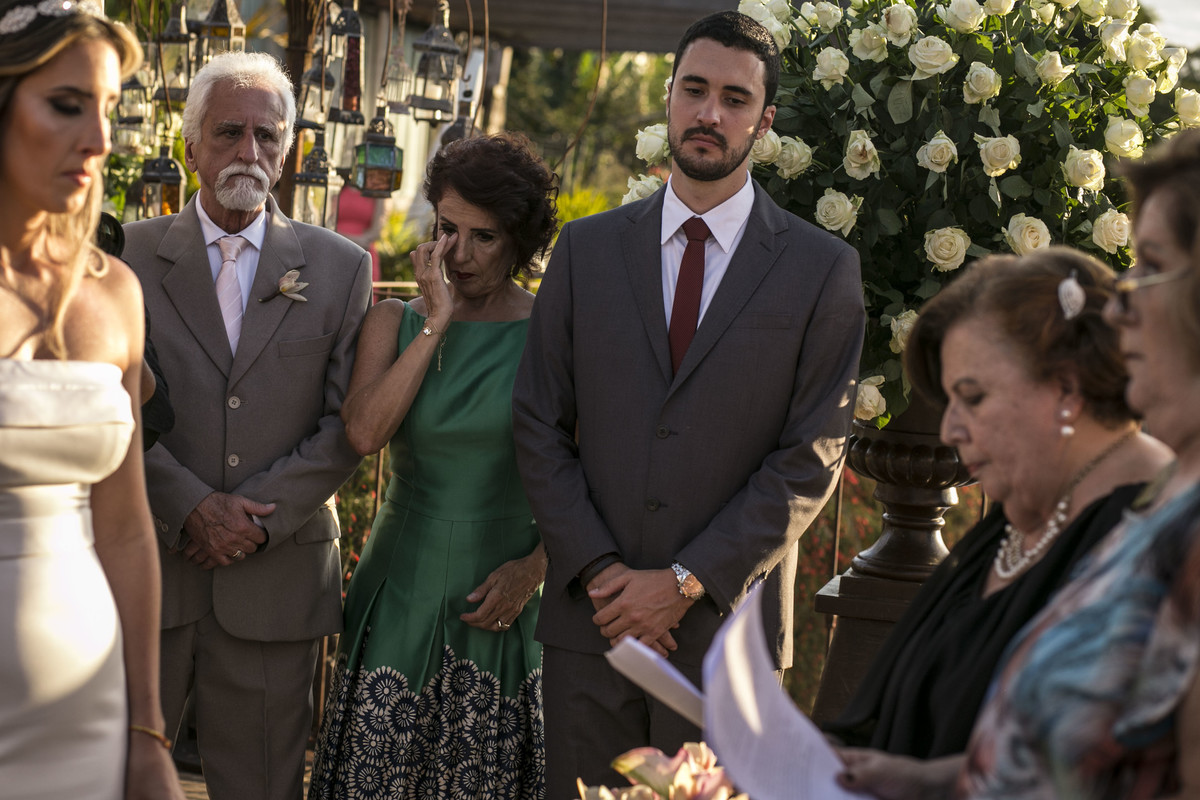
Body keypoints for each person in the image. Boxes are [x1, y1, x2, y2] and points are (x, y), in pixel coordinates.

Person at [511, 10, 866, 796]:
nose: (710, 113)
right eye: (695, 90)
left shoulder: (821, 270)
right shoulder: (586, 251)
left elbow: (811, 458)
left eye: (735, 99)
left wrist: (680, 584)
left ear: (764, 123)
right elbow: (538, 422)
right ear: (667, 97)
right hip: (590, 625)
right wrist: (606, 575)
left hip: (724, 638)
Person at [838, 132, 1200, 799]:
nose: (1122, 307)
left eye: (1149, 266)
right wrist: (921, 781)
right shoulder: (1042, 523)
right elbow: (1050, 759)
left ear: (1065, 387)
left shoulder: (1156, 527)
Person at [122, 51, 372, 800]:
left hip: (276, 576)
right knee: (121, 777)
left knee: (262, 787)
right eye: (229, 132)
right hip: (151, 572)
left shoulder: (339, 267)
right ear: (191, 144)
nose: (249, 153)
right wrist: (190, 506)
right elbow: (110, 405)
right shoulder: (125, 258)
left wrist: (254, 520)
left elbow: (345, 426)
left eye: (268, 136)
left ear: (288, 148)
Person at [823, 247, 1172, 760]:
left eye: (974, 397)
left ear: (1066, 389)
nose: (949, 429)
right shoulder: (1011, 523)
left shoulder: (1153, 543)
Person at [309, 132, 557, 800]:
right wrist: (437, 324)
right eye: (449, 230)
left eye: (486, 236)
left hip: (501, 592)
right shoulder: (392, 320)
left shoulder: (551, 334)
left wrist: (534, 571)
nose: (462, 254)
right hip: (401, 586)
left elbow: (588, 474)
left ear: (520, 239)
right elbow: (364, 432)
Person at [0, 2, 184, 798]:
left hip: (93, 705)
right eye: (67, 106)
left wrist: (146, 732)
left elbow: (126, 527)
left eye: (108, 110)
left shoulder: (116, 295)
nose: (100, 142)